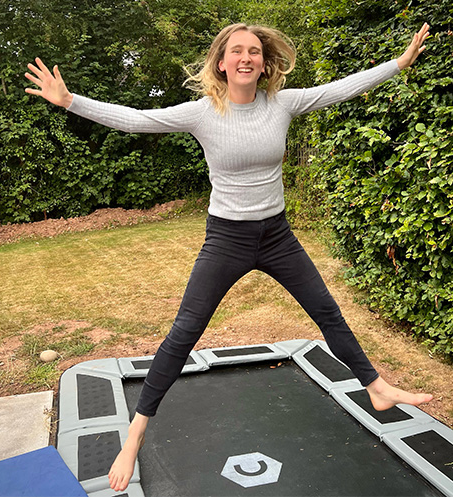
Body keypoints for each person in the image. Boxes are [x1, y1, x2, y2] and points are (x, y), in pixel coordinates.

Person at [25, 22, 432, 492]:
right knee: (184, 332)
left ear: (264, 62)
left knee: (326, 310)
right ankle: (135, 434)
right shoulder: (203, 112)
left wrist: (398, 64)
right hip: (227, 240)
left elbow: (341, 89)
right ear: (221, 63)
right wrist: (70, 101)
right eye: (236, 51)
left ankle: (377, 389)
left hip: (277, 236)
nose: (246, 57)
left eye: (254, 51)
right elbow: (137, 118)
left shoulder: (283, 103)